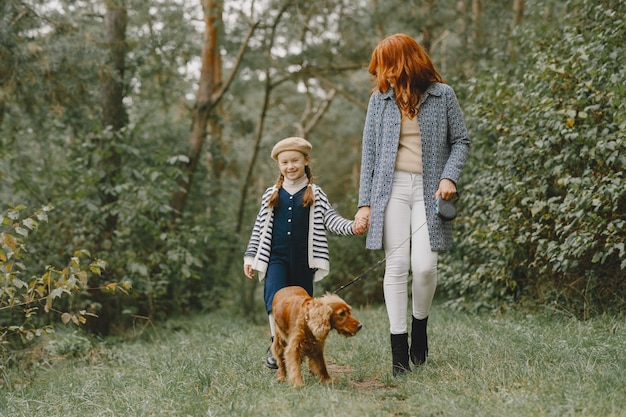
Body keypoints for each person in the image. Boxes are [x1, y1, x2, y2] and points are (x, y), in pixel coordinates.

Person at [354, 34, 470, 376]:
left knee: (424, 267)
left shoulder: (442, 95)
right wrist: (364, 204)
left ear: (402, 63)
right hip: (389, 190)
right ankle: (398, 350)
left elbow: (461, 140)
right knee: (396, 265)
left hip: (430, 190)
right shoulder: (379, 100)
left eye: (386, 67)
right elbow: (370, 154)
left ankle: (420, 326)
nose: (382, 75)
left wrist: (450, 177)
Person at [244, 136, 365, 369]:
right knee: (273, 299)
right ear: (279, 166)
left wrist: (352, 226)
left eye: (295, 161)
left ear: (306, 161)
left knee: (303, 305)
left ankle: (301, 347)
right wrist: (250, 257)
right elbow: (259, 228)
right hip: (275, 258)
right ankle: (275, 345)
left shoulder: (316, 193)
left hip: (304, 259)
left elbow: (331, 220)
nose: (290, 166)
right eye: (285, 162)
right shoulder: (271, 194)